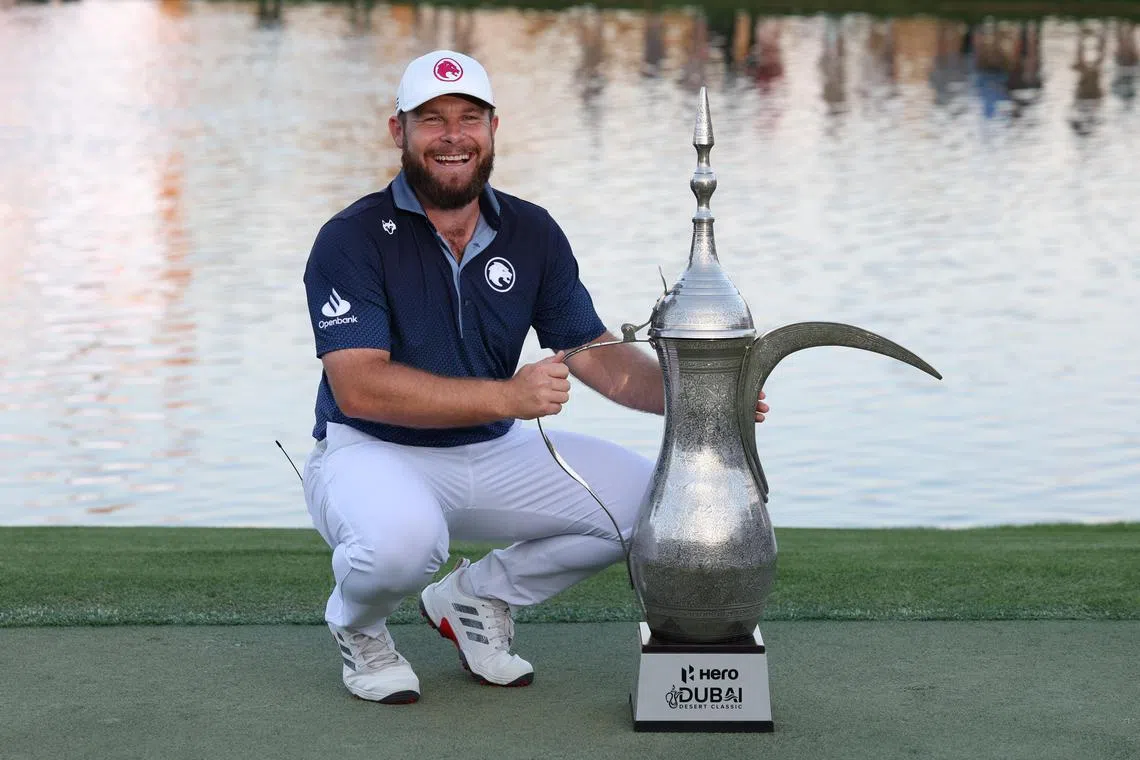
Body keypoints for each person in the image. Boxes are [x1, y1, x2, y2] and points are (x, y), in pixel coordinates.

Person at [301, 49, 769, 705]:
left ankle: (474, 598)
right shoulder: (350, 238)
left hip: (493, 448)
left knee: (652, 507)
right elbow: (360, 386)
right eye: (431, 120)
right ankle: (359, 626)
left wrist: (703, 401)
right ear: (398, 132)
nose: (453, 136)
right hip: (372, 450)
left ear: (494, 128)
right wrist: (509, 395)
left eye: (469, 117)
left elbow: (595, 353)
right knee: (403, 544)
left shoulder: (532, 231)